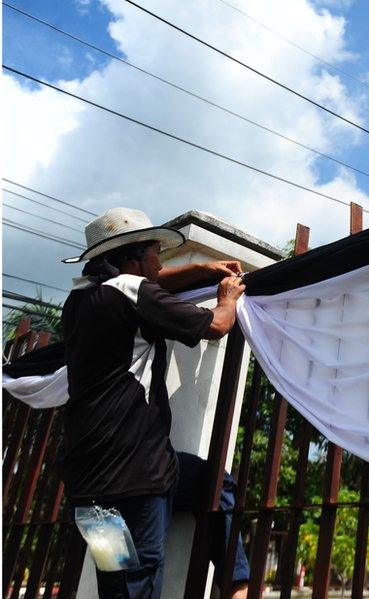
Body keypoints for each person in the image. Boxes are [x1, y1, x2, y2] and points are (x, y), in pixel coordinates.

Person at [60, 207, 251, 598]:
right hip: (136, 476)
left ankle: (236, 584)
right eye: (155, 253)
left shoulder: (78, 300)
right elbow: (216, 324)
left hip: (89, 486)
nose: (159, 261)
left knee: (213, 484)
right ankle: (236, 584)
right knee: (139, 581)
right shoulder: (132, 291)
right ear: (134, 259)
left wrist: (204, 268)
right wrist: (228, 297)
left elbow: (150, 282)